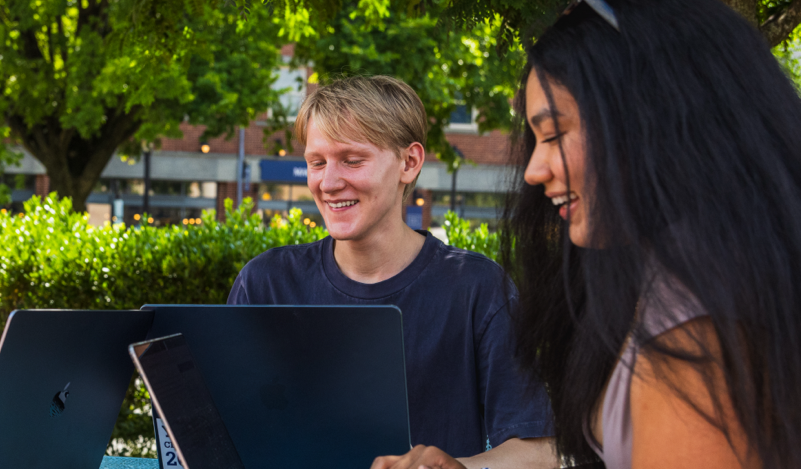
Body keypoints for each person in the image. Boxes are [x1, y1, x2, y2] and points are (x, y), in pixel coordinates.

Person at [376, 1, 801, 469]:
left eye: (554, 134)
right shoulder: (756, 272)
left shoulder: (695, 337)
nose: (534, 170)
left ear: (652, 117)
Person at [229, 76, 557, 469]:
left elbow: (538, 450)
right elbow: (219, 429)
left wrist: (457, 467)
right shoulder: (265, 283)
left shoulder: (478, 288)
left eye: (352, 160)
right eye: (317, 162)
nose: (328, 182)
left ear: (409, 162)